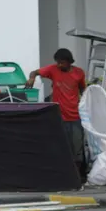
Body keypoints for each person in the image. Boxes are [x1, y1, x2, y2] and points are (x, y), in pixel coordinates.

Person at [26, 48, 87, 179]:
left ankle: (76, 177)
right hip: (59, 116)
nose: (59, 65)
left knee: (76, 147)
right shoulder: (53, 70)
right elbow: (34, 72)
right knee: (59, 146)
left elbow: (83, 90)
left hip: (75, 116)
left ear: (69, 62)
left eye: (62, 63)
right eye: (58, 62)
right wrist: (31, 79)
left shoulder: (79, 73)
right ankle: (61, 175)